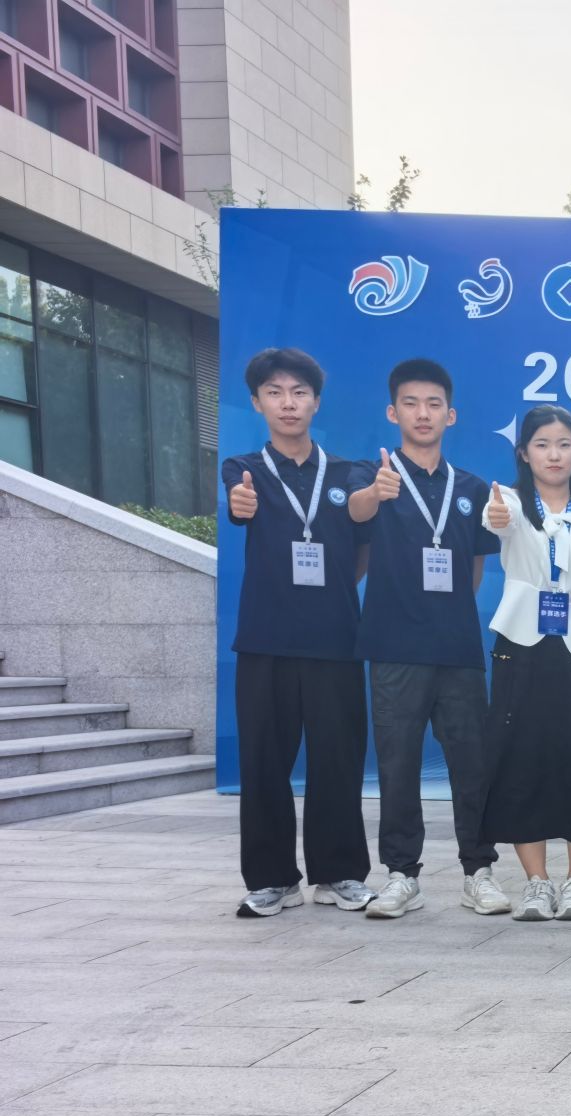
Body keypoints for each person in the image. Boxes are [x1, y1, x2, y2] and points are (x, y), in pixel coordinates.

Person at [344, 359, 507, 921]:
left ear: (450, 415)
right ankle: (401, 875)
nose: (423, 413)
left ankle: (478, 871)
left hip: (457, 649)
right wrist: (374, 493)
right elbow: (356, 512)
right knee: (397, 765)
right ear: (393, 413)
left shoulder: (472, 488)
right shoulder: (374, 474)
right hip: (393, 648)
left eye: (433, 404)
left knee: (472, 764)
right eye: (411, 404)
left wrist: (448, 611)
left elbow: (476, 569)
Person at [223, 347, 372, 918]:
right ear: (257, 402)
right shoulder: (244, 470)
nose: (288, 403)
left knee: (338, 761)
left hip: (335, 640)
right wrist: (240, 505)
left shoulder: (348, 474)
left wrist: (331, 589)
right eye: (275, 393)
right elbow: (240, 507)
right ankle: (272, 880)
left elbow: (361, 551)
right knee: (264, 763)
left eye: (299, 393)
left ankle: (339, 874)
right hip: (265, 640)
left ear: (316, 402)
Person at [479, 407, 571, 922]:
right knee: (522, 759)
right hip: (520, 643)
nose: (554, 454)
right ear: (524, 453)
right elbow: (496, 522)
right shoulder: (510, 503)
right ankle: (536, 883)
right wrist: (496, 516)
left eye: (564, 444)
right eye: (542, 444)